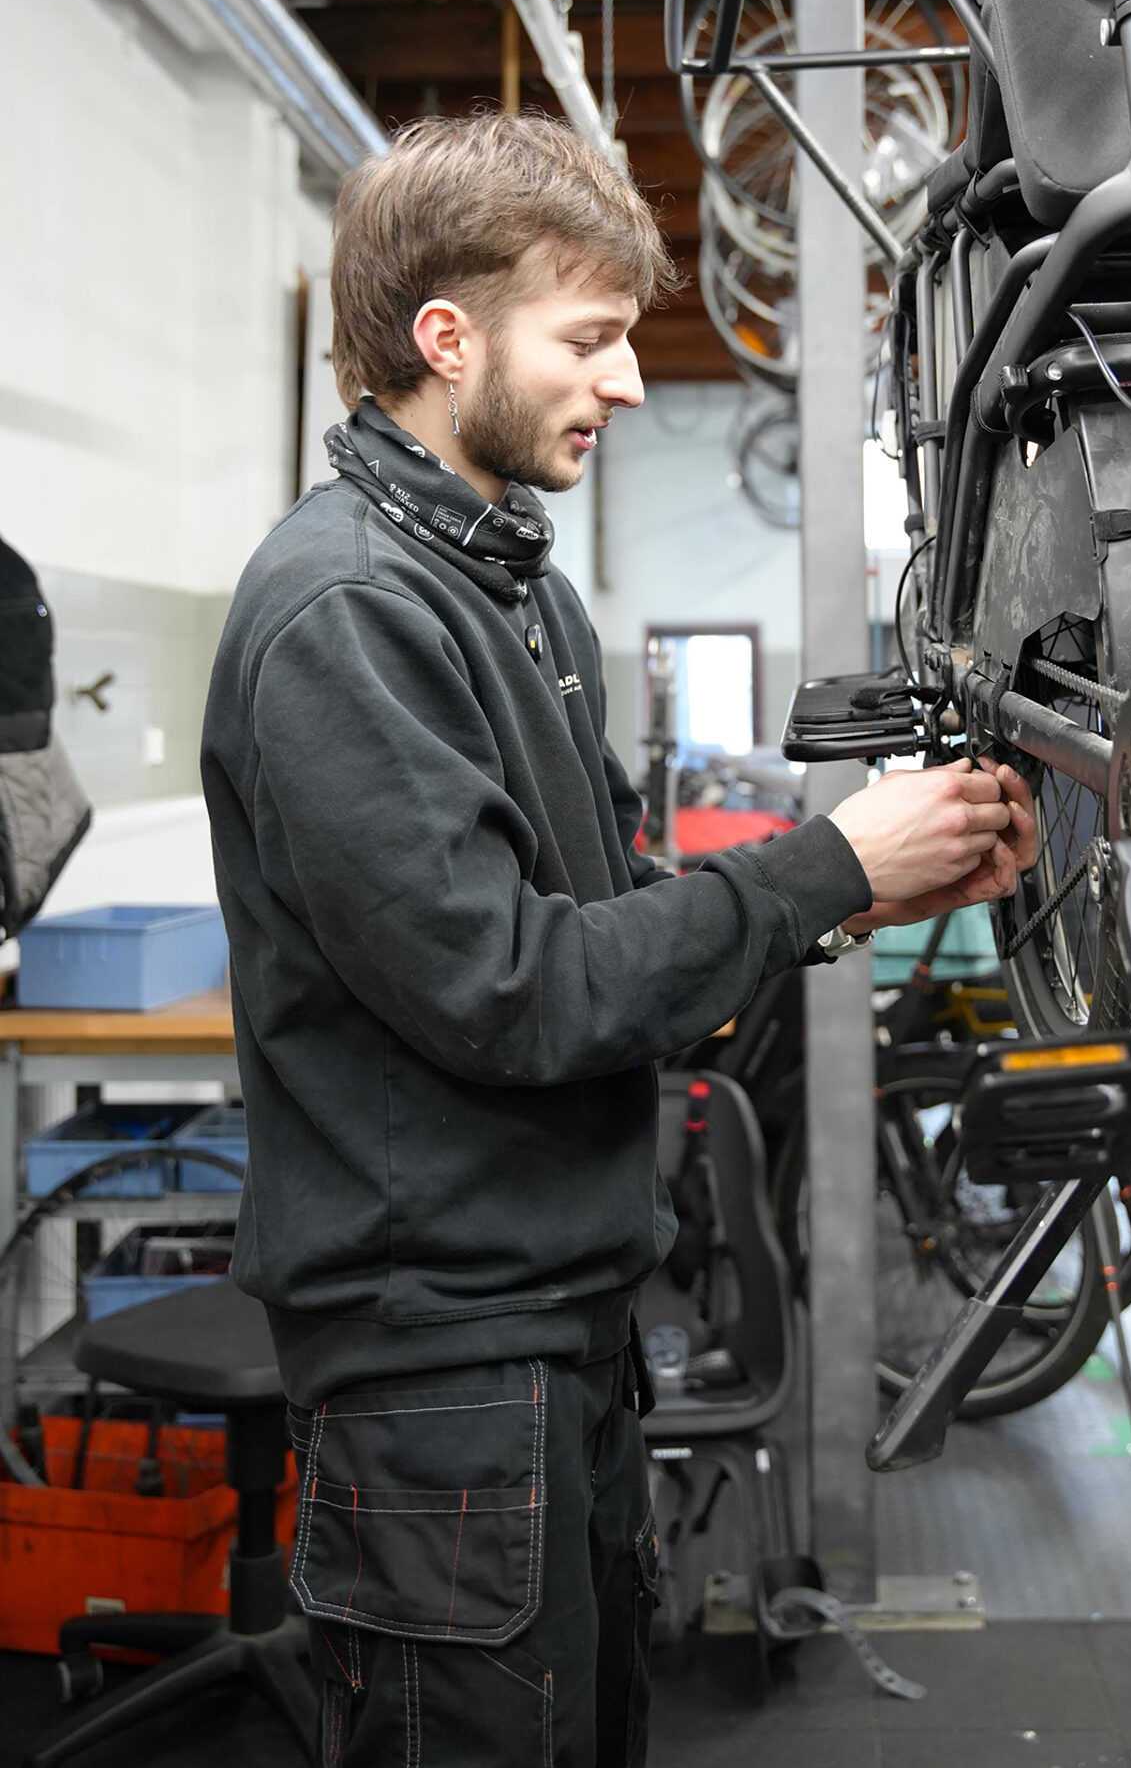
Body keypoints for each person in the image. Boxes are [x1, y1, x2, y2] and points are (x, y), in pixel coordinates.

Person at [201, 112, 1037, 1767]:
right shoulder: (349, 613)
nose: (630, 382)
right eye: (588, 340)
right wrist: (817, 872)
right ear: (448, 341)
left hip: (560, 1312)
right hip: (439, 1349)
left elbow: (610, 906)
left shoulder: (514, 589)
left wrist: (860, 886)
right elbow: (517, 990)